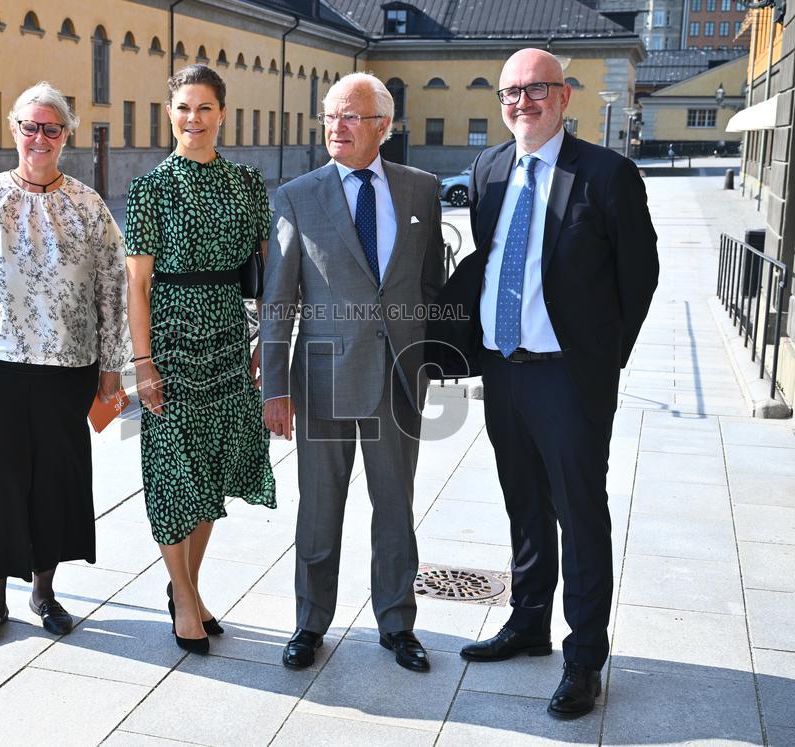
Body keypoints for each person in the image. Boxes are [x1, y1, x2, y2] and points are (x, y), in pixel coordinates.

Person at [427, 49, 659, 718]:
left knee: (580, 513)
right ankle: (528, 622)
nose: (522, 102)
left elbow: (639, 276)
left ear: (563, 97)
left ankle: (583, 655)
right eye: (510, 93)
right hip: (504, 371)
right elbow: (493, 258)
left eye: (536, 90)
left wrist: (600, 360)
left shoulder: (607, 175)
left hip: (569, 378)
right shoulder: (490, 168)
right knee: (524, 503)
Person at [0, 81, 128, 646]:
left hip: (69, 371)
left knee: (54, 483)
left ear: (67, 135)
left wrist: (112, 366)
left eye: (52, 128)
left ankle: (44, 591)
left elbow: (113, 288)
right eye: (30, 126)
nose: (40, 137)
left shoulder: (88, 206)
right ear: (14, 129)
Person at [260, 72, 445, 673]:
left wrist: (435, 358)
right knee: (319, 508)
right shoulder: (297, 196)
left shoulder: (420, 190)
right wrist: (276, 389)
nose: (335, 127)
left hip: (398, 376)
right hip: (323, 380)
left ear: (383, 128)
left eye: (350, 117)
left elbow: (429, 283)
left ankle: (397, 625)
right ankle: (310, 623)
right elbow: (278, 300)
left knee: (395, 506)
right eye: (329, 115)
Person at [124, 64, 276, 655]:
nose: (194, 118)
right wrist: (142, 362)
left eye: (204, 107)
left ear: (222, 113)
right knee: (171, 472)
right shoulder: (150, 188)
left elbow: (269, 273)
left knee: (210, 472)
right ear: (170, 113)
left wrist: (268, 339)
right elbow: (136, 285)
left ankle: (188, 586)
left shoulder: (245, 182)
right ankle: (183, 599)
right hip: (169, 338)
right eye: (183, 107)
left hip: (228, 339)